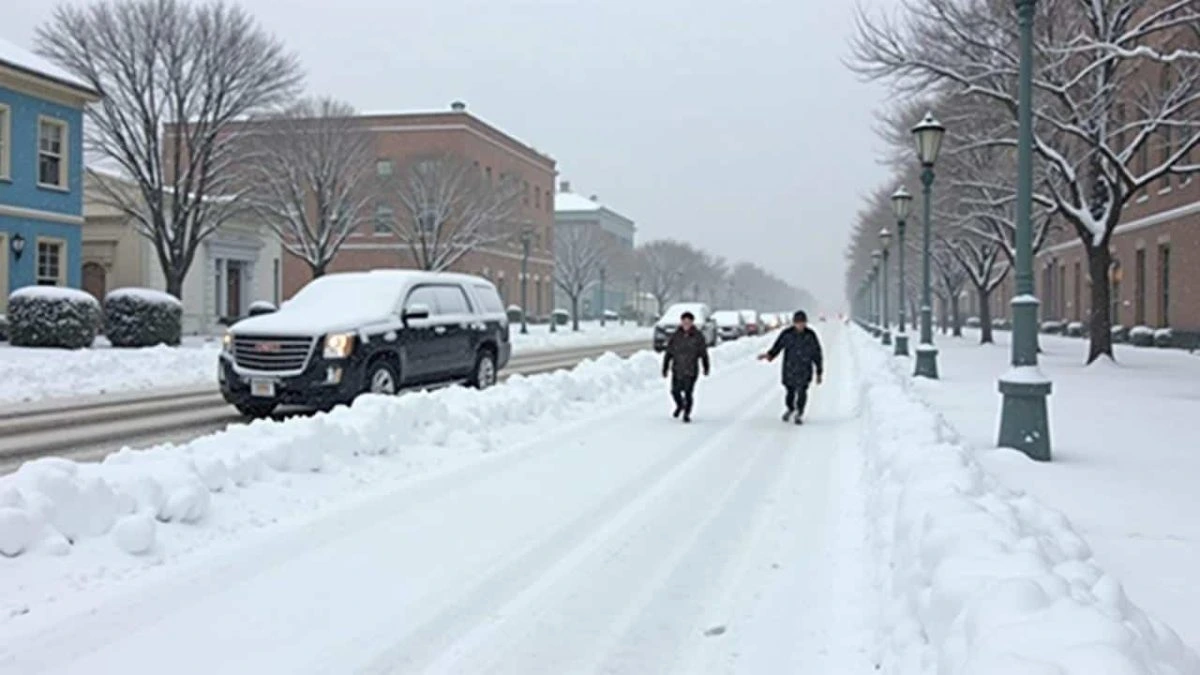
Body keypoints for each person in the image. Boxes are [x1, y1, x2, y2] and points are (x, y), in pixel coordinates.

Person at [758, 310, 824, 425]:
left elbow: (817, 354)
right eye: (798, 323)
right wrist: (769, 355)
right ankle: (790, 408)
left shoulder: (810, 335)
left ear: (806, 323)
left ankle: (799, 412)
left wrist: (819, 372)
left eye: (802, 323)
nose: (800, 325)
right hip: (790, 367)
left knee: (802, 391)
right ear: (794, 323)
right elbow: (777, 346)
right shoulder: (787, 334)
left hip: (805, 368)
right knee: (790, 391)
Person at [662, 311, 710, 423]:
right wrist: (665, 368)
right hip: (677, 369)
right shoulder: (676, 336)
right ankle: (680, 405)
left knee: (688, 392)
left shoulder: (698, 336)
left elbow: (703, 354)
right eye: (684, 322)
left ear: (692, 323)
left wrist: (706, 367)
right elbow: (669, 353)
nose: (686, 324)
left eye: (688, 322)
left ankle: (687, 414)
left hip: (691, 370)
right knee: (675, 391)